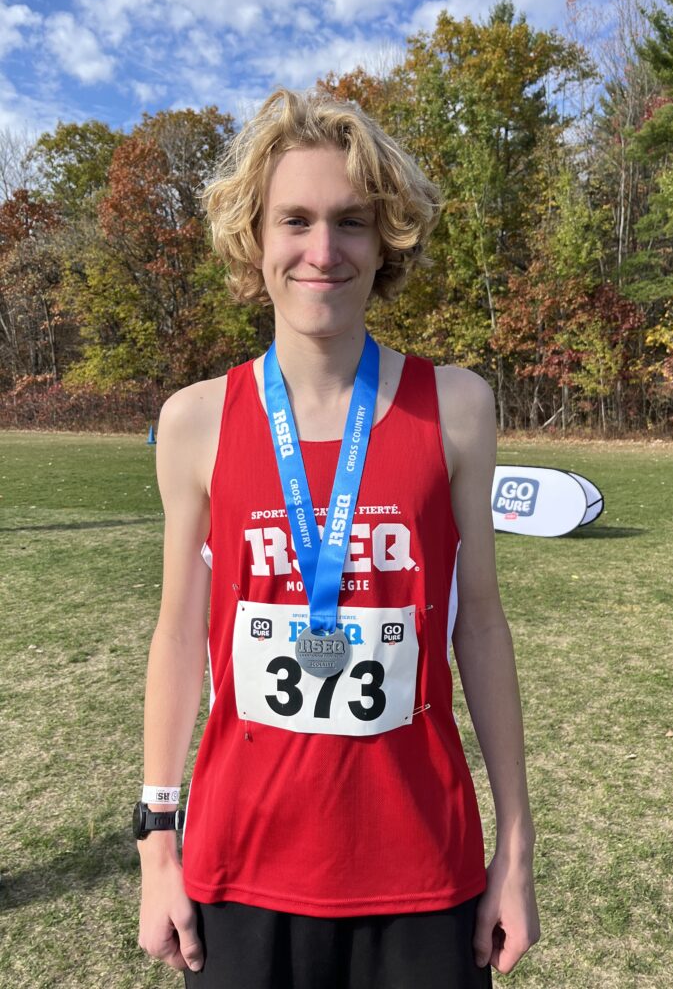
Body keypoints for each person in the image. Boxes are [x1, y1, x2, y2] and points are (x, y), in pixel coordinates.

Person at [135, 88, 540, 988]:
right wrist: (157, 842)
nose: (324, 251)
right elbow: (176, 633)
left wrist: (516, 849)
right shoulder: (196, 421)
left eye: (352, 222)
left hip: (421, 872)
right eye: (296, 220)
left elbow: (481, 626)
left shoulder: (460, 408)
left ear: (385, 237)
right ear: (256, 238)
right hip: (241, 871)